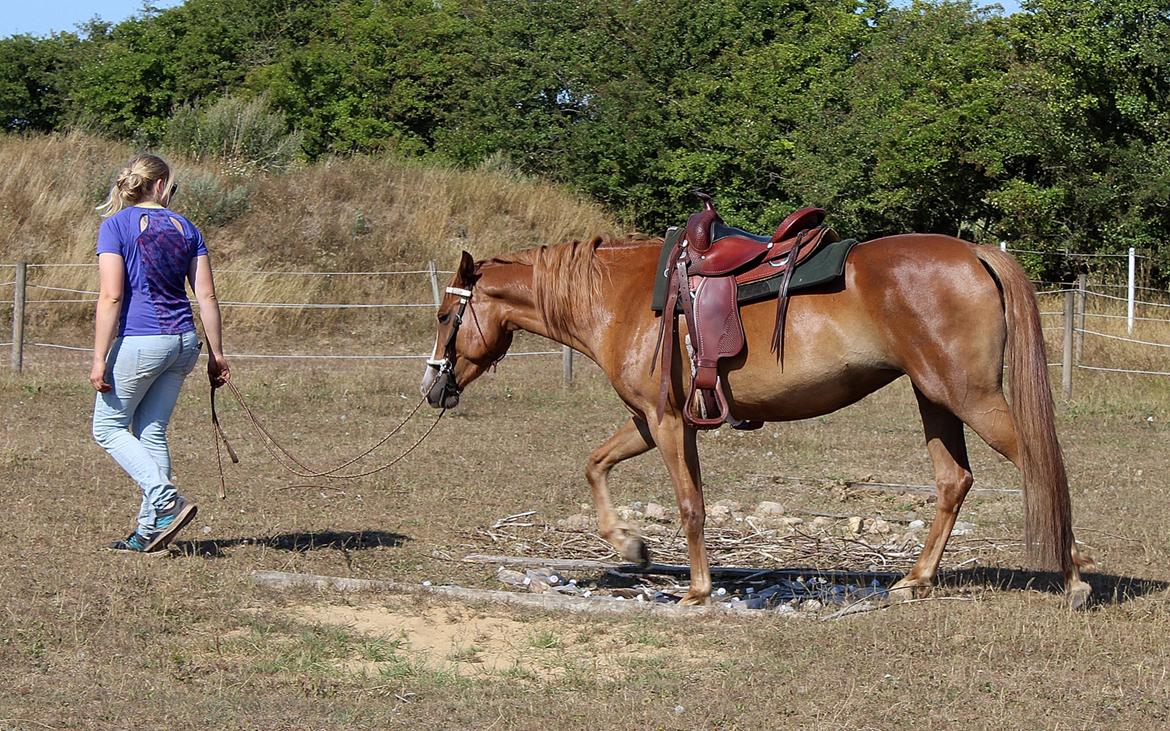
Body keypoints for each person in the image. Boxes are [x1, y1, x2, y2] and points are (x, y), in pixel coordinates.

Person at [90, 153, 230, 553]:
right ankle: (149, 530)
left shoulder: (115, 226)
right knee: (150, 431)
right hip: (183, 342)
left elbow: (111, 295)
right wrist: (216, 354)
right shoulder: (187, 228)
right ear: (161, 184)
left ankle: (166, 502)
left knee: (107, 428)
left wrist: (99, 357)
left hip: (141, 341)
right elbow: (206, 294)